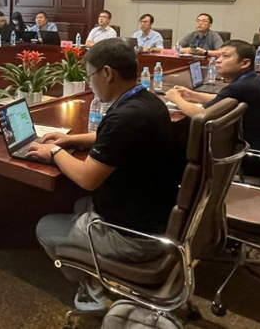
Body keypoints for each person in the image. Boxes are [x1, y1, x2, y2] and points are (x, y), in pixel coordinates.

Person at [28, 39, 182, 312]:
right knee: (78, 205)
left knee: (45, 227)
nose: (90, 84)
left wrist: (54, 152)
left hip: (133, 237)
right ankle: (94, 266)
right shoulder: (146, 101)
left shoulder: (124, 118)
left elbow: (87, 178)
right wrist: (69, 139)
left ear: (107, 73)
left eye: (90, 76)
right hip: (159, 217)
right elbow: (109, 138)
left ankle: (91, 285)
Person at [166, 40, 260, 151]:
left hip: (248, 151)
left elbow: (200, 115)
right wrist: (192, 95)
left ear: (245, 63)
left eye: (226, 56)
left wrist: (175, 98)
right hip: (257, 143)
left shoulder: (241, 87)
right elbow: (224, 101)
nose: (218, 60)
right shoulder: (252, 79)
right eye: (219, 56)